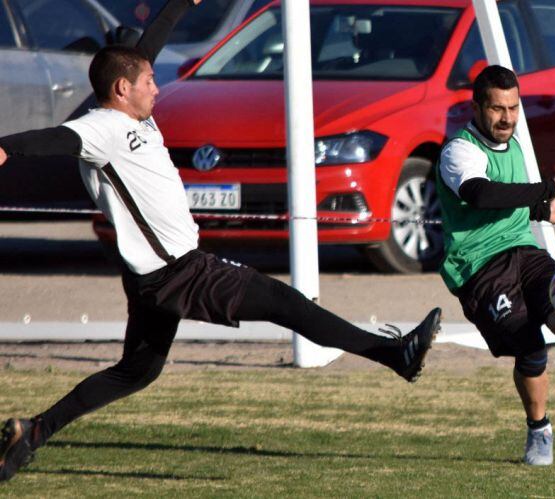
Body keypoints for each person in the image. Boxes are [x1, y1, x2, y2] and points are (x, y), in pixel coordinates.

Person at [0, 0, 441, 482]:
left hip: (156, 275)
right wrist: (7, 147)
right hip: (178, 273)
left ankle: (34, 433)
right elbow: (56, 138)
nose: (157, 86)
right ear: (122, 90)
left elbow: (144, 50)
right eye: (148, 82)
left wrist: (176, 7)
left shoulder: (131, 110)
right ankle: (392, 354)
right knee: (282, 301)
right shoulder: (100, 127)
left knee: (137, 372)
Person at [435, 65, 555, 466]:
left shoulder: (516, 145)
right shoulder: (459, 151)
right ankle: (540, 431)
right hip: (479, 267)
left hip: (523, 250)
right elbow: (482, 194)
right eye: (497, 109)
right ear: (477, 106)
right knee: (530, 348)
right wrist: (547, 189)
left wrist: (543, 209)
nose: (507, 118)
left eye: (514, 108)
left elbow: (511, 205)